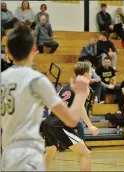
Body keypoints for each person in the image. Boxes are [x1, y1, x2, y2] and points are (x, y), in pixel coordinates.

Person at [1, 26, 89, 171]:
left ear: (8, 53)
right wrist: (80, 94)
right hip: (29, 156)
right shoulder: (37, 80)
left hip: (7, 155)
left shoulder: (2, 79)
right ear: (34, 49)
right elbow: (72, 120)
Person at [43, 62, 99, 171]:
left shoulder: (66, 86)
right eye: (91, 72)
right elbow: (81, 108)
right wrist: (90, 125)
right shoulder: (84, 87)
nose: (92, 74)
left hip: (48, 121)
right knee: (86, 154)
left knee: (50, 152)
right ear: (86, 74)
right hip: (59, 125)